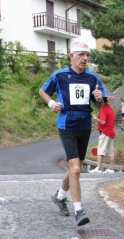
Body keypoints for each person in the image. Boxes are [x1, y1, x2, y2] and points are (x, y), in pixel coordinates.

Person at [38, 42, 105, 226]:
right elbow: (43, 91)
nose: (85, 58)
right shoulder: (59, 75)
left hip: (84, 124)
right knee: (75, 168)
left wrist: (99, 100)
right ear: (72, 56)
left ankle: (59, 197)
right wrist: (52, 104)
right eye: (81, 55)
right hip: (66, 124)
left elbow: (99, 104)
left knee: (76, 166)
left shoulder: (92, 78)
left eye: (87, 55)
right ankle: (79, 210)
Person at [89, 96, 116, 173]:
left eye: (97, 102)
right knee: (110, 152)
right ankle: (111, 168)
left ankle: (99, 168)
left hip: (105, 132)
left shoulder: (104, 109)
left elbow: (103, 122)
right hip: (111, 132)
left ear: (101, 101)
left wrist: (95, 118)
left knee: (101, 150)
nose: (96, 105)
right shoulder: (110, 109)